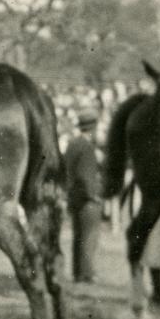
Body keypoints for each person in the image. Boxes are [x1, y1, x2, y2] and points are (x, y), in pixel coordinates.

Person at [65, 108, 105, 283]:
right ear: (93, 128)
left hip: (75, 196)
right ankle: (87, 274)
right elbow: (86, 175)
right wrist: (94, 195)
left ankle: (78, 272)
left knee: (78, 236)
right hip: (87, 199)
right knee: (89, 237)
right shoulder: (87, 147)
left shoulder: (73, 144)